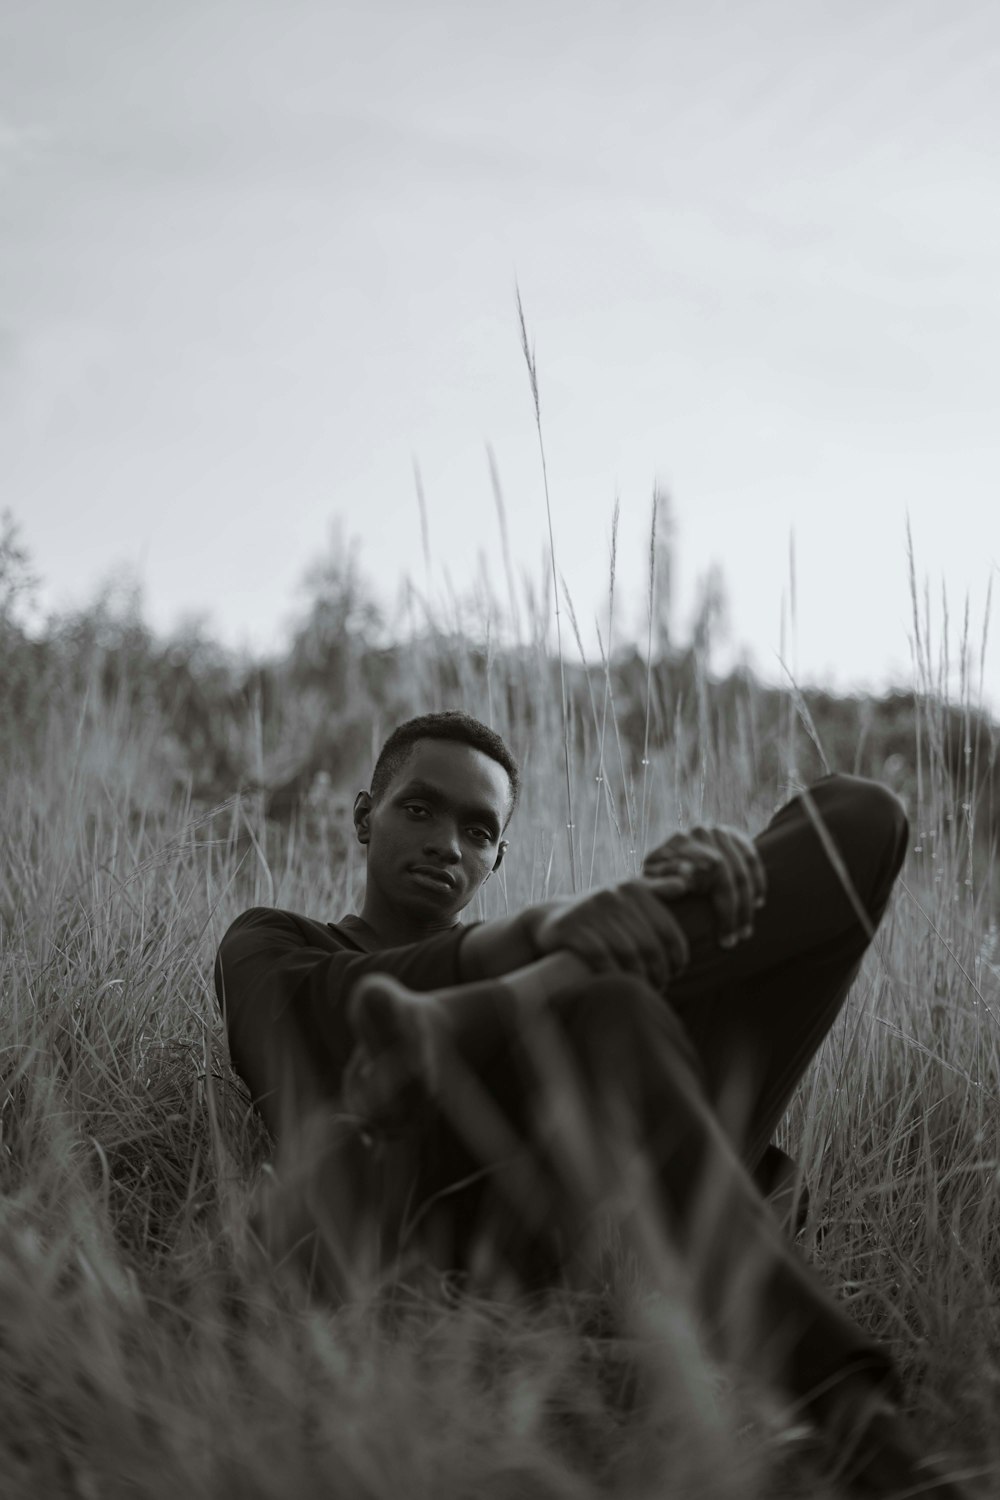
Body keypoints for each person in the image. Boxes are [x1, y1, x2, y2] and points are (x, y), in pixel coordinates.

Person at [215, 710, 975, 1498]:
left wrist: (703, 894)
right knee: (606, 1006)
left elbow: (757, 1170)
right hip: (422, 1215)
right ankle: (855, 1422)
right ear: (364, 816)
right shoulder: (272, 939)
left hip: (601, 1197)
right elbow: (345, 1008)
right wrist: (553, 930)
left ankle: (486, 1011)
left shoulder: (566, 959)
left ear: (496, 859)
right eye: (418, 809)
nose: (448, 842)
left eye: (478, 832)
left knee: (864, 816)